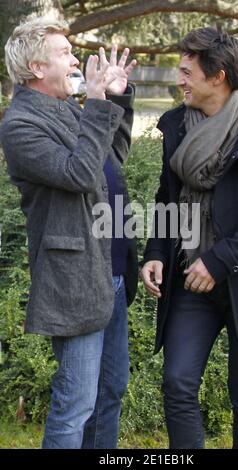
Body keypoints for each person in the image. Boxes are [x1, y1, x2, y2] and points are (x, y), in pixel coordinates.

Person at [141, 27, 238, 449]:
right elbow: (165, 197)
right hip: (192, 280)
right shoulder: (177, 127)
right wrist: (156, 251)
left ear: (218, 76)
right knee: (178, 383)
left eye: (187, 72)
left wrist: (220, 260)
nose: (179, 80)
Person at [0, 15, 138, 449]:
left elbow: (111, 154)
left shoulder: (66, 109)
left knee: (109, 393)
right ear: (37, 68)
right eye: (65, 52)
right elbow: (79, 173)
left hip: (111, 271)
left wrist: (117, 99)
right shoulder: (20, 125)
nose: (76, 59)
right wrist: (95, 103)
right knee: (76, 403)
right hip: (75, 280)